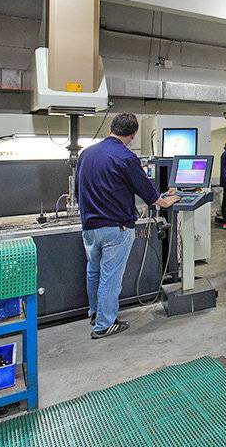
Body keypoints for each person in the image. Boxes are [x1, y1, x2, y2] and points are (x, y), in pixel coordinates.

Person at [76, 113, 180, 339]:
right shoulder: (126, 157)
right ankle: (104, 325)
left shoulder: (86, 153)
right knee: (110, 277)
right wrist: (165, 200)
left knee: (94, 271)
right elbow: (147, 192)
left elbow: (78, 190)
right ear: (132, 135)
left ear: (111, 128)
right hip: (116, 227)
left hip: (90, 226)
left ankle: (95, 313)